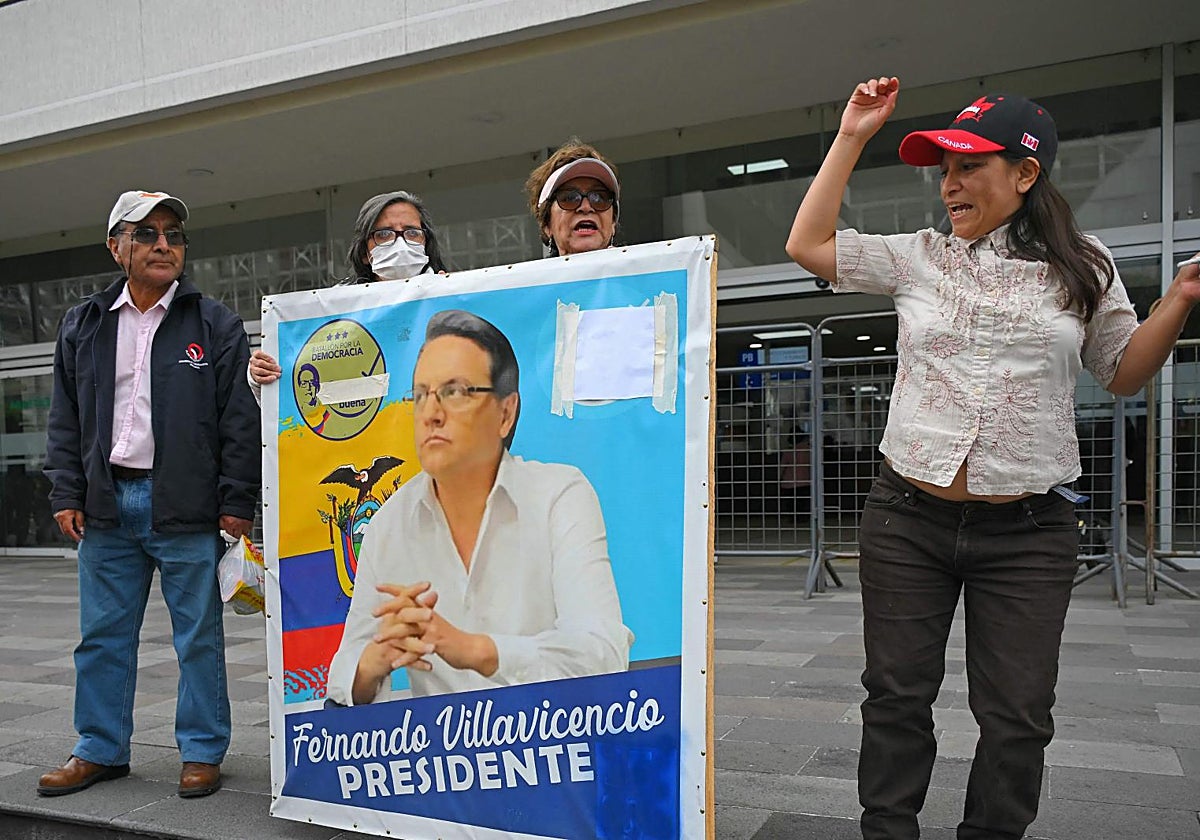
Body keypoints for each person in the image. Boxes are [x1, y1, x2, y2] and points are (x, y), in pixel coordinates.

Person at [785, 77, 1200, 840]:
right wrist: (850, 136)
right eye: (944, 169)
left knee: (1018, 715)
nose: (950, 184)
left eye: (971, 165)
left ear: (1026, 173)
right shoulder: (917, 258)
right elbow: (807, 244)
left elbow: (1122, 372)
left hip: (1030, 530)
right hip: (907, 517)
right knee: (896, 696)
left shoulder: (1086, 265)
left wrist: (1178, 301)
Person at [40, 190, 261, 799]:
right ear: (117, 247)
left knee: (198, 636)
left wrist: (237, 503)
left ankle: (202, 751)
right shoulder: (83, 324)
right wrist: (66, 489)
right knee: (102, 636)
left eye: (174, 235)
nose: (164, 244)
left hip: (186, 508)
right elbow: (65, 417)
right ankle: (100, 749)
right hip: (107, 507)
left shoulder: (212, 323)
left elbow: (237, 418)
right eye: (148, 234)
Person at [326, 310, 632, 703]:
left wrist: (476, 650)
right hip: (441, 758)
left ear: (505, 414)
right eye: (420, 395)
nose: (431, 414)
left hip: (555, 749)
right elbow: (345, 668)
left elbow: (603, 655)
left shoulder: (560, 495)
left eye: (455, 392)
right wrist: (376, 660)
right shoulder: (388, 522)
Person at [247, 190, 447, 397]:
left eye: (412, 232)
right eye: (384, 234)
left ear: (426, 244)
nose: (400, 242)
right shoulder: (335, 310)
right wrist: (259, 375)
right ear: (364, 254)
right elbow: (298, 395)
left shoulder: (454, 297)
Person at [524, 139, 621, 257]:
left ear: (613, 224)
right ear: (547, 225)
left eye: (599, 197)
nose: (586, 207)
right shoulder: (527, 276)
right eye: (569, 198)